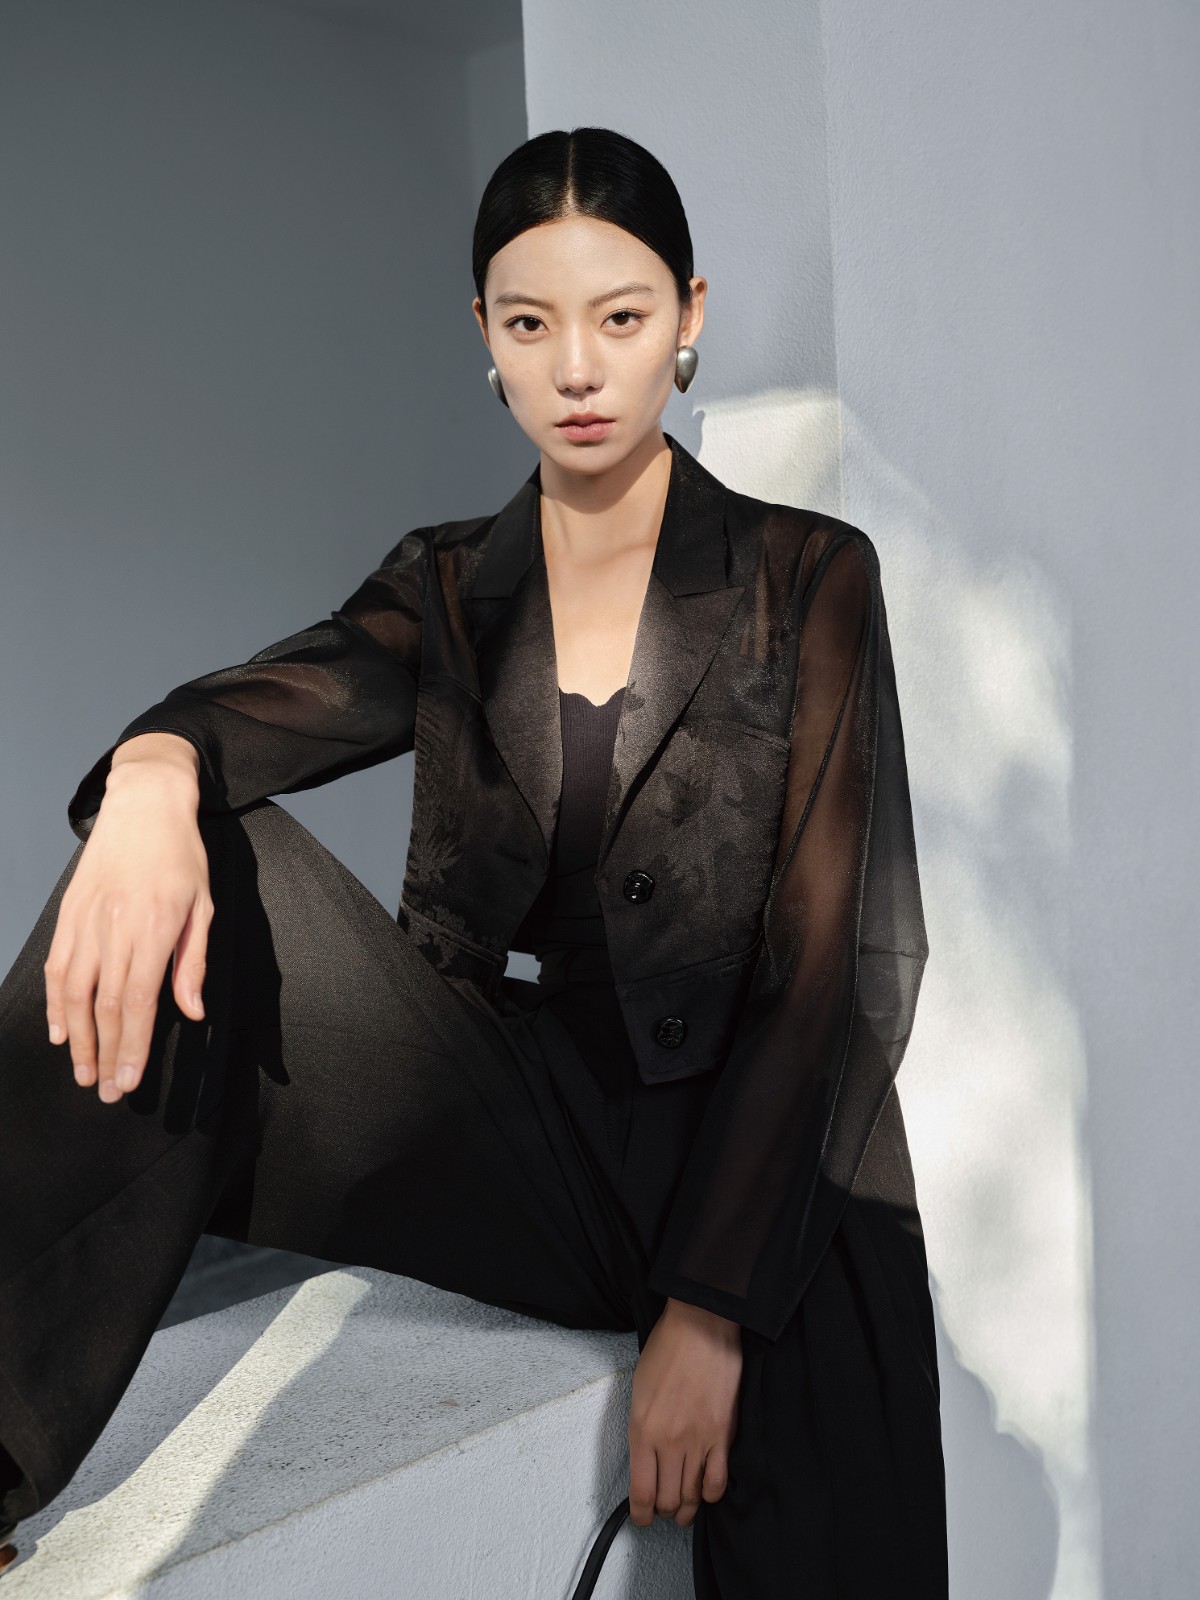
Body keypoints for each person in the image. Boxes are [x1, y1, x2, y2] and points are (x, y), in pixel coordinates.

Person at [0, 126, 946, 1596]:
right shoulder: (447, 581)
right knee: (184, 859)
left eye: (619, 317)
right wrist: (149, 775)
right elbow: (271, 703)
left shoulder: (808, 573)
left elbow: (840, 962)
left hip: (756, 1166)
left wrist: (708, 1312)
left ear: (687, 316)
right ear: (486, 339)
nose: (576, 369)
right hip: (526, 1136)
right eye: (529, 323)